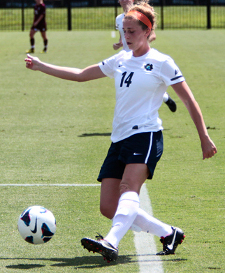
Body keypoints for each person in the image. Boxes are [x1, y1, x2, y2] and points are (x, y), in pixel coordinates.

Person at [25, 1, 217, 262]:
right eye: (124, 31)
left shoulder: (162, 62)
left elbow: (189, 101)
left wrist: (204, 136)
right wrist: (41, 66)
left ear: (147, 32)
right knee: (108, 207)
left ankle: (111, 242)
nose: (126, 36)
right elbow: (81, 74)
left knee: (128, 188)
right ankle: (168, 233)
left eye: (132, 31)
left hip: (146, 135)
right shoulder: (121, 59)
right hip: (120, 138)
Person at [113, 0, 177, 112]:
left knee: (139, 85)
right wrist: (119, 44)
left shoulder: (140, 17)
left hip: (141, 57)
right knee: (132, 86)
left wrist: (140, 42)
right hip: (127, 59)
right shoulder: (119, 18)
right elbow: (122, 37)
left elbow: (153, 36)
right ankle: (164, 97)